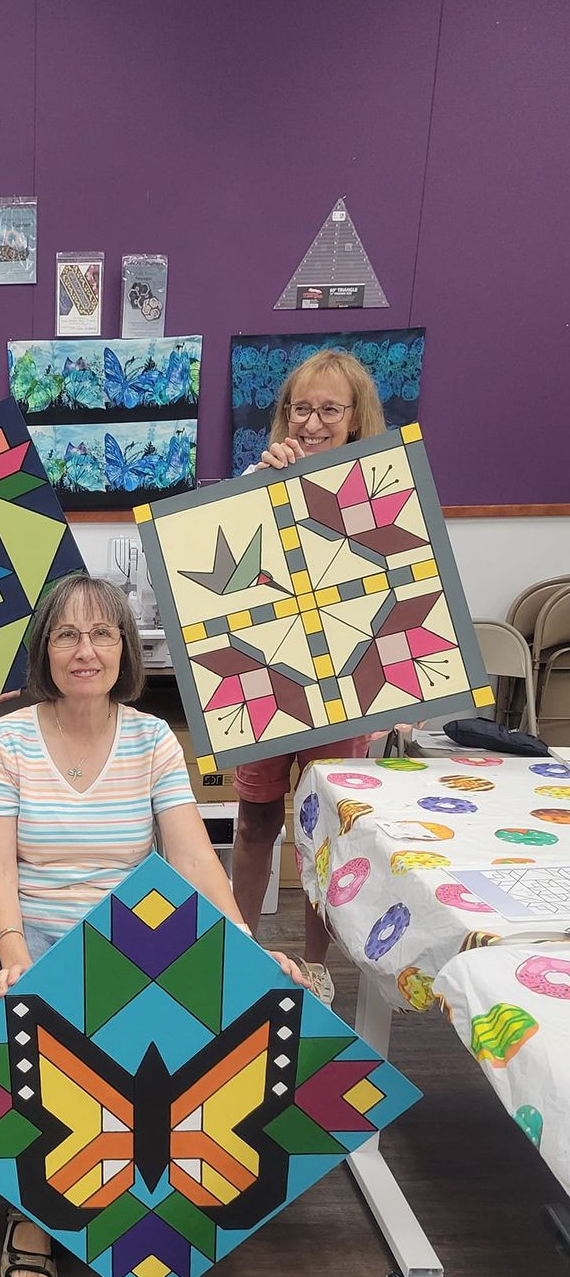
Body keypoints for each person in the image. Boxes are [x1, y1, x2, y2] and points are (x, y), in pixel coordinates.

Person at [0, 574, 306, 1277]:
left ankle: (143, 1208)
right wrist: (16, 952)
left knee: (205, 1018)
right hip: (20, 933)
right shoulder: (8, 738)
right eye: (67, 635)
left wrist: (243, 940)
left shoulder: (152, 739)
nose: (85, 650)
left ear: (124, 648)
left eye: (102, 634)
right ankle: (39, 1210)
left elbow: (190, 858)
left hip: (127, 945)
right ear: (44, 650)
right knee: (48, 1030)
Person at [230, 350, 387, 1005]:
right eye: (303, 407)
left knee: (324, 831)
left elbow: (403, 591)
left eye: (330, 408)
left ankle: (316, 965)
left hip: (343, 685)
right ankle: (237, 951)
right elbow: (224, 561)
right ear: (285, 414)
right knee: (254, 821)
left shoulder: (381, 486)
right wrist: (255, 486)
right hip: (267, 676)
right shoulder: (259, 474)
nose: (314, 421)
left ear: (355, 418)